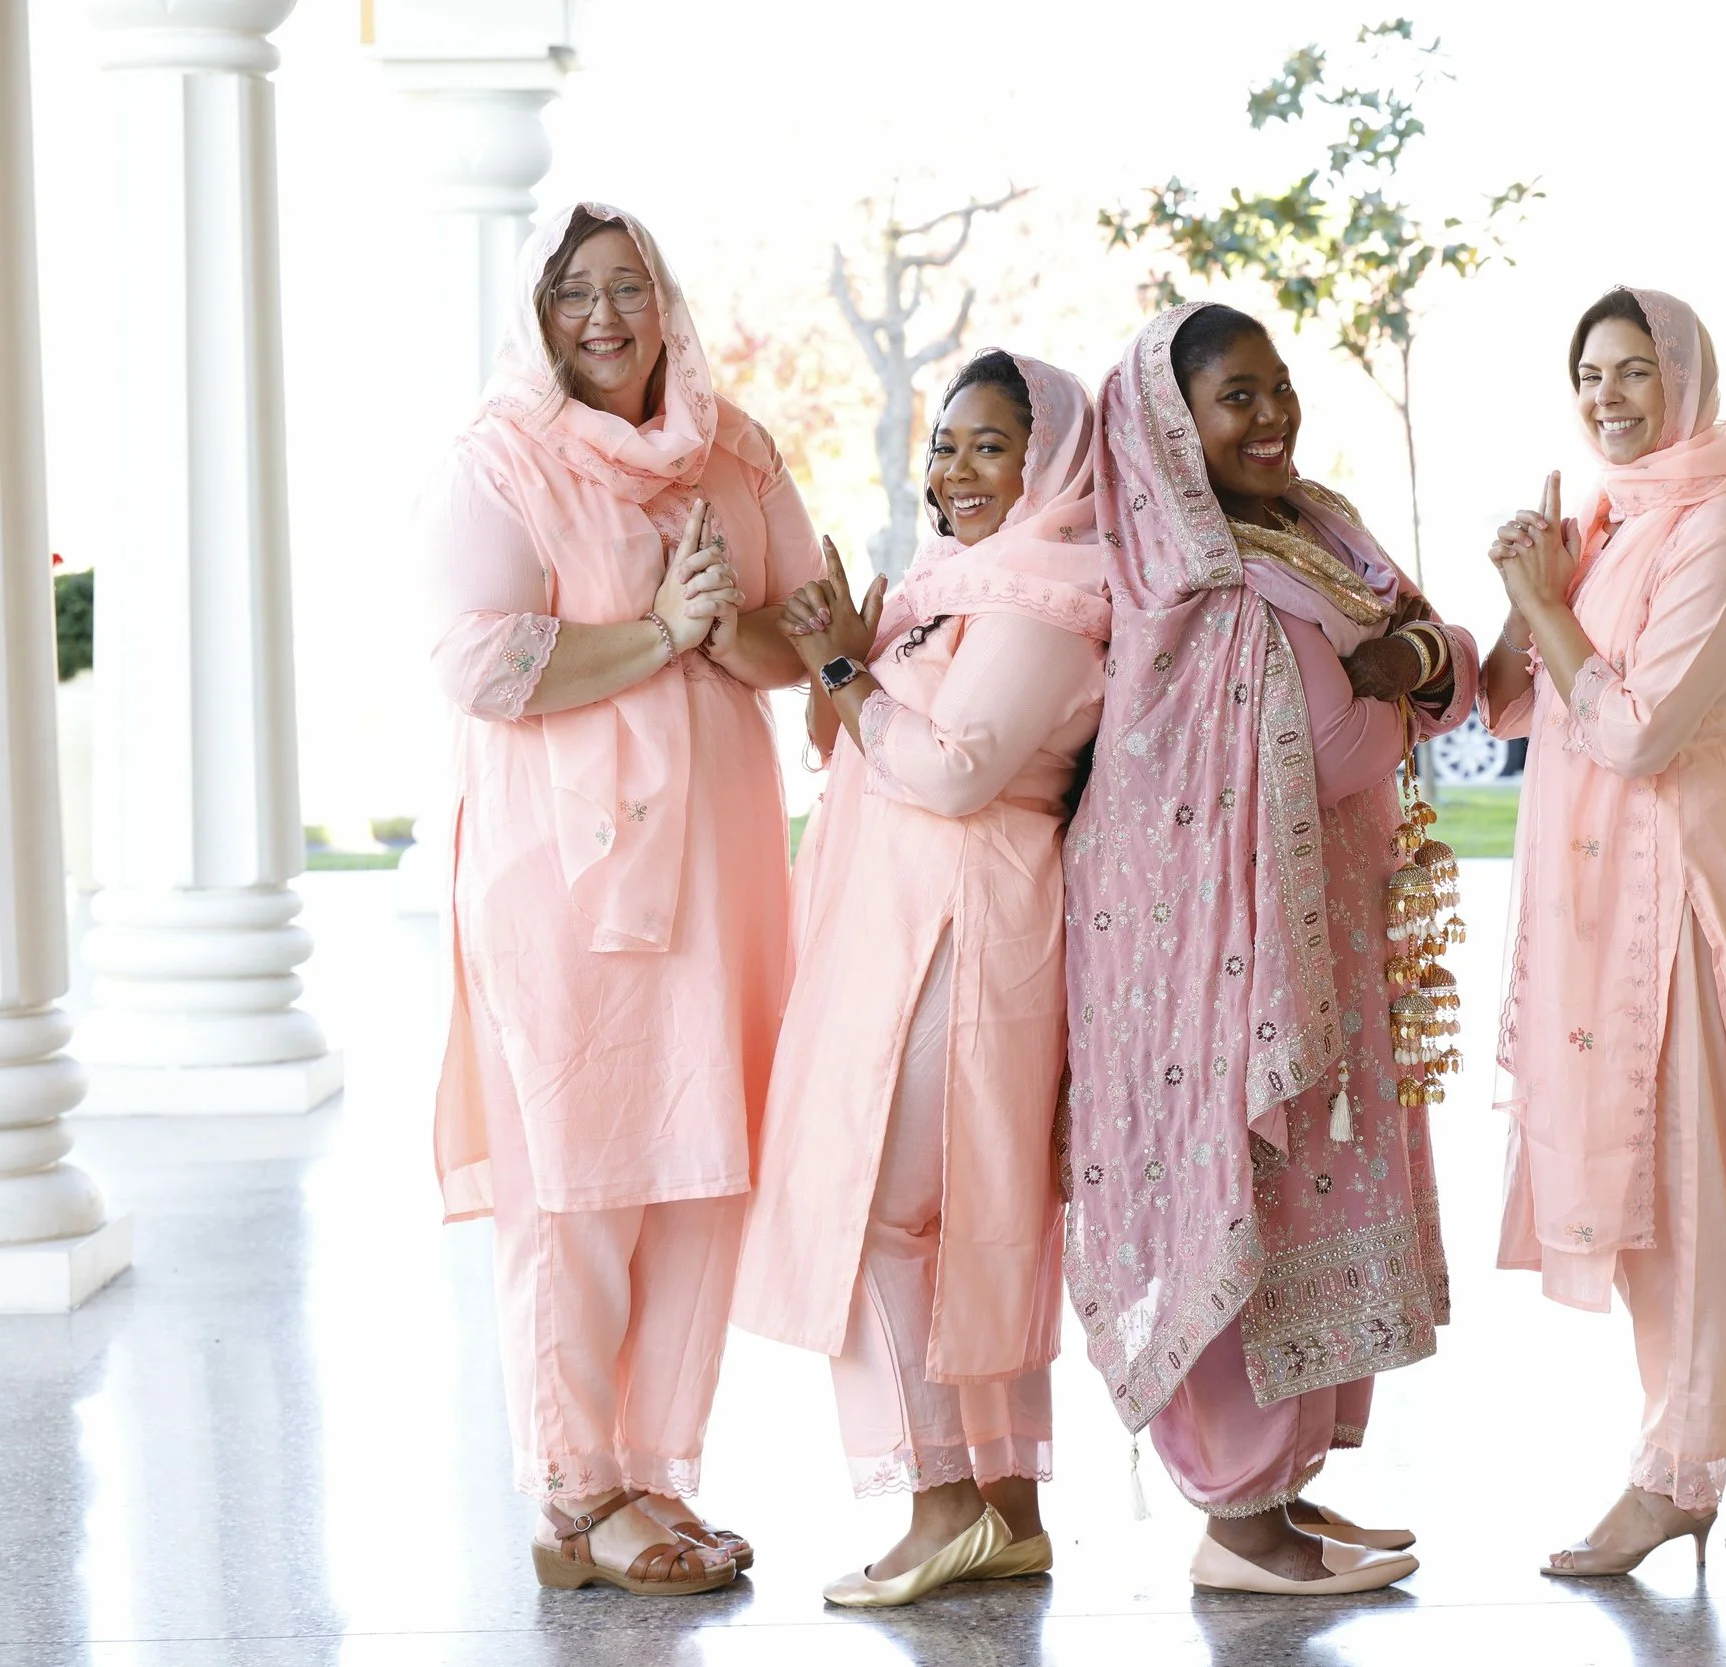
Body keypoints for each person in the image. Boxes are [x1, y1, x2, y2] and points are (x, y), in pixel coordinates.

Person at [427, 201, 818, 1595]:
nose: (605, 315)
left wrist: (727, 627)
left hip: (716, 867)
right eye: (575, 291)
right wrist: (660, 631)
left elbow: (802, 632)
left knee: (699, 1166)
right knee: (579, 1179)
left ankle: (659, 1469)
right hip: (561, 877)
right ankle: (575, 1493)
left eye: (628, 286)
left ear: (667, 303)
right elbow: (481, 662)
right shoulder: (506, 459)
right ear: (542, 315)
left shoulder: (734, 451)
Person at [1061, 302, 1480, 1596]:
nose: (1272, 414)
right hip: (1203, 955)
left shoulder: (1317, 530)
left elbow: (1446, 662)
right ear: (1174, 430)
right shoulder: (1205, 582)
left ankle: (1283, 1494)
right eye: (1236, 395)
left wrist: (1403, 659)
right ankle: (1237, 1515)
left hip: (1311, 927)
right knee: (1238, 1175)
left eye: (1278, 384)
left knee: (1303, 1187)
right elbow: (1341, 743)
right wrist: (1403, 663)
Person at [1479, 287, 1726, 1576]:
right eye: (1589, 373)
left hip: (1678, 908)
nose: (1607, 395)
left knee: (1684, 1187)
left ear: (1686, 380)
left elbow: (1638, 728)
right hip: (1594, 911)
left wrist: (1553, 606)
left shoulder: (1723, 531)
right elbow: (1507, 706)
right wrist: (1523, 583)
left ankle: (1676, 1475)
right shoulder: (1603, 527)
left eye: (1635, 369)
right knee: (1650, 1195)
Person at [730, 350, 1110, 1608]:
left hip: (968, 924)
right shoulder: (954, 586)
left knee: (888, 1206)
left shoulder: (1050, 600)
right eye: (946, 442)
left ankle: (942, 1500)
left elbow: (953, 769)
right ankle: (1002, 1504)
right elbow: (849, 740)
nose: (955, 468)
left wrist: (849, 666)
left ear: (1050, 458)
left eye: (990, 444)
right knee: (939, 1209)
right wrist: (847, 659)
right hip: (892, 916)